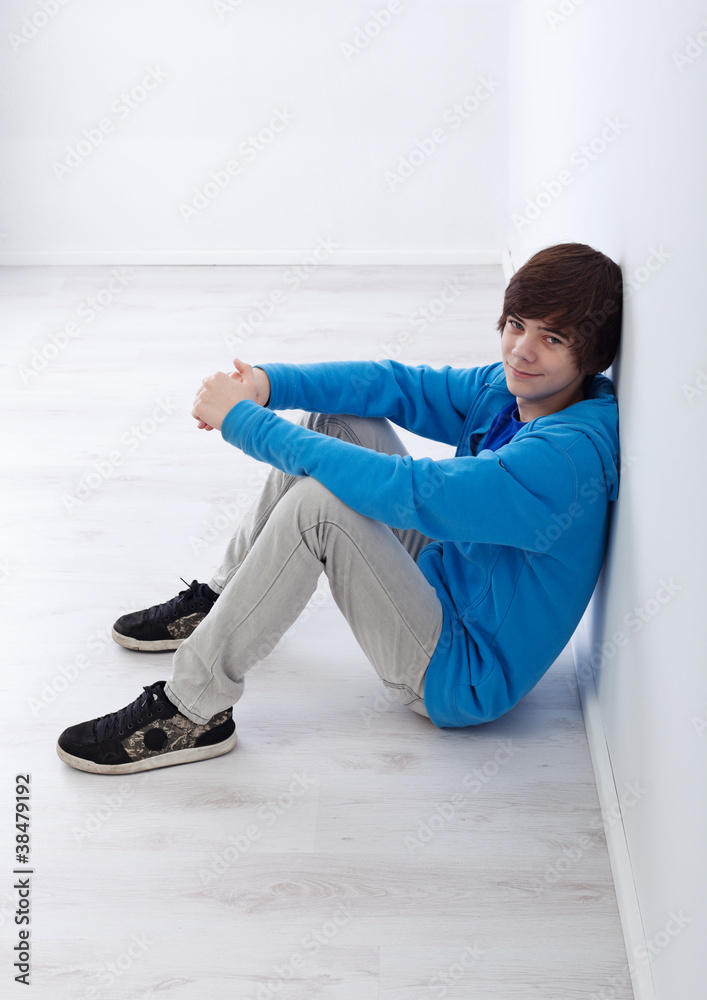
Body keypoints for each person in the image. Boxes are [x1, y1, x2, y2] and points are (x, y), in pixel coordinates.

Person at [56, 242, 622, 775]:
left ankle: (192, 709)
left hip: (459, 668)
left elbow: (412, 492)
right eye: (517, 324)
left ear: (592, 355)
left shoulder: (565, 460)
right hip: (446, 571)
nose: (522, 350)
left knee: (321, 507)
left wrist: (244, 422)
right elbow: (394, 385)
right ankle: (222, 603)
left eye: (552, 338)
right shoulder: (516, 392)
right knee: (340, 421)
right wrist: (266, 385)